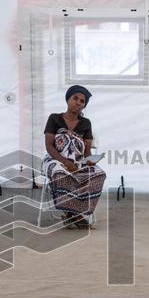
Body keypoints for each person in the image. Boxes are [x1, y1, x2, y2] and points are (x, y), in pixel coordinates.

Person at [43, 85, 107, 228]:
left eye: (82, 101)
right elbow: (49, 146)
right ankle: (76, 215)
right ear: (68, 99)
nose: (78, 102)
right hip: (55, 160)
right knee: (59, 172)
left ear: (84, 106)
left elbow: (87, 152)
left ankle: (73, 213)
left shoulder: (86, 123)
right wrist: (65, 162)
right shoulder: (54, 118)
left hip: (78, 163)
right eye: (75, 98)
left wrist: (90, 161)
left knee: (99, 174)